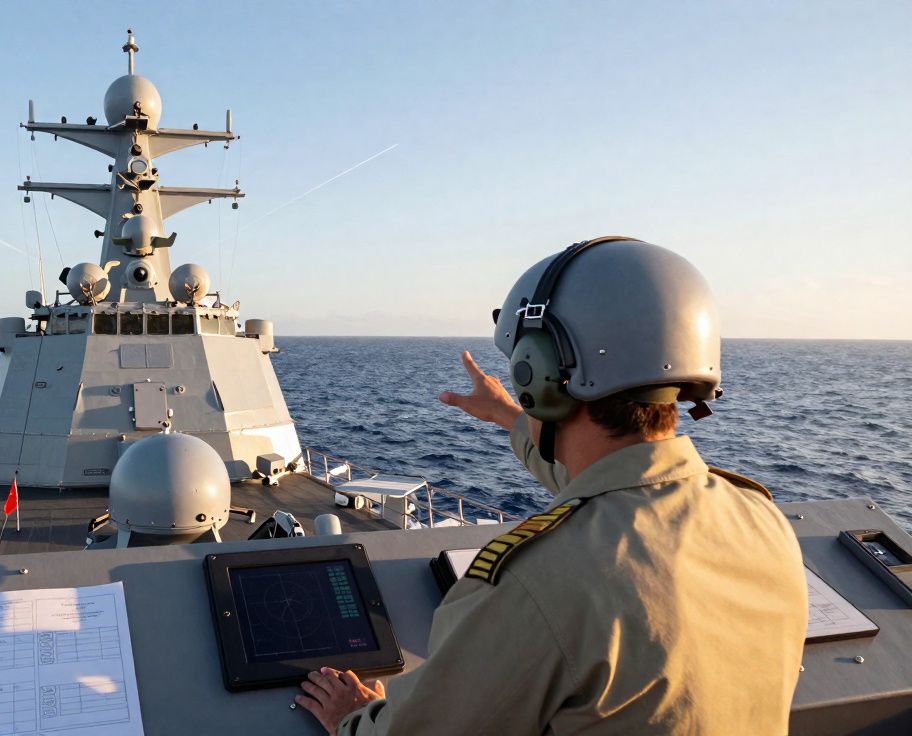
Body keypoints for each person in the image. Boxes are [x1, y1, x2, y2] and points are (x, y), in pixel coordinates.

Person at [295, 237, 808, 735]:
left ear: (540, 374)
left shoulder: (536, 583)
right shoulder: (761, 519)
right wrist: (507, 416)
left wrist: (352, 719)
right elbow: (607, 480)